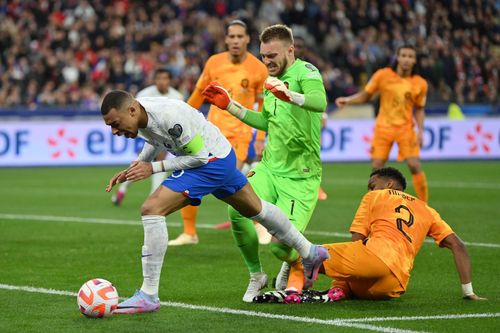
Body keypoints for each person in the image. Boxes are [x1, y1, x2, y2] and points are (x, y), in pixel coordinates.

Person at [100, 90, 329, 313]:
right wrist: (136, 166)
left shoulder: (168, 115)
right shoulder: (141, 112)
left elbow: (198, 157)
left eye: (115, 124)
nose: (114, 131)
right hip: (222, 155)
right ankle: (310, 251)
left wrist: (153, 168)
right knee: (258, 210)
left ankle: (149, 294)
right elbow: (155, 138)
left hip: (210, 162)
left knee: (151, 209)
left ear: (131, 110)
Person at [201, 24, 327, 302]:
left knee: (281, 248)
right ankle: (256, 275)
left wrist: (290, 95)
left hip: (301, 176)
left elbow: (320, 102)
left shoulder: (306, 72)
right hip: (270, 168)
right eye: (263, 56)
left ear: (290, 50)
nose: (266, 61)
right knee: (237, 207)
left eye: (272, 55)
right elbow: (266, 121)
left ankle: (293, 261)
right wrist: (230, 105)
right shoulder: (270, 82)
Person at [254, 167, 486, 304]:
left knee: (307, 252)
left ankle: (292, 293)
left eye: (372, 185)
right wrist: (468, 291)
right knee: (346, 270)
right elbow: (458, 245)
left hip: (373, 261)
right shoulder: (426, 209)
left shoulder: (377, 196)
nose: (369, 190)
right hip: (392, 285)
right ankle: (337, 292)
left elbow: (357, 240)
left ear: (389, 183)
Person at [168, 19, 270, 246]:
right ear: (225, 39)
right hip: (210, 133)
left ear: (247, 39)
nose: (235, 40)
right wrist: (180, 117)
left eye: (239, 36)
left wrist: (261, 139)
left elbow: (263, 107)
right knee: (192, 179)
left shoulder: (258, 68)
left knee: (229, 184)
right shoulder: (214, 62)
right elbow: (199, 94)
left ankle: (260, 223)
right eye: (231, 36)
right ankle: (189, 232)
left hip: (240, 136)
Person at [335, 45, 429, 202]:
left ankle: (424, 205)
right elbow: (366, 95)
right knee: (377, 166)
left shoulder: (420, 83)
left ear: (415, 61)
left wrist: (420, 131)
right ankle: (372, 203)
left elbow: (419, 109)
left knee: (414, 165)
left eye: (410, 56)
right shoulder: (383, 75)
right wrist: (348, 100)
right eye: (404, 55)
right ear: (397, 58)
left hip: (406, 128)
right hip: (383, 127)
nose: (406, 59)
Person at [112, 68, 184, 206]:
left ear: (169, 80)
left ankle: (139, 194)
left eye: (165, 78)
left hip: (167, 133)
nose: (162, 82)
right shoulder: (144, 94)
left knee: (154, 159)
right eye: (159, 78)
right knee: (144, 161)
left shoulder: (177, 96)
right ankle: (127, 189)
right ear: (154, 80)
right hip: (147, 132)